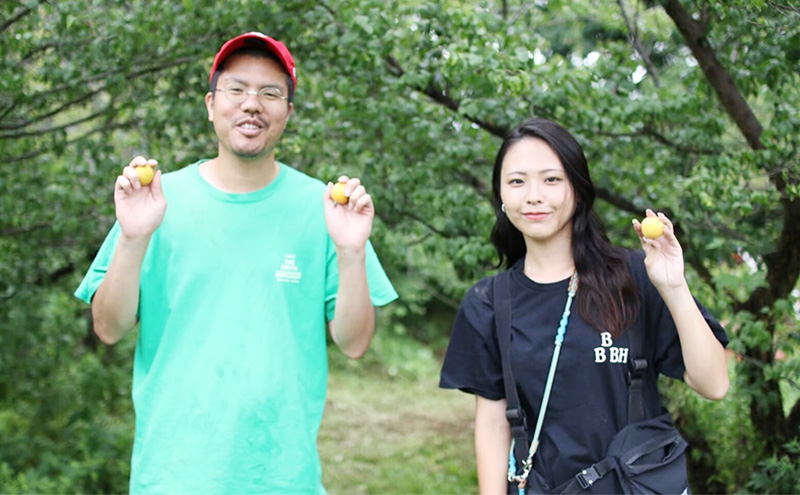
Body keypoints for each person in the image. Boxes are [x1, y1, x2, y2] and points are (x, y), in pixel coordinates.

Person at [75, 32, 398, 494]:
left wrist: (350, 253)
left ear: (288, 111)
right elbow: (108, 327)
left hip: (285, 479)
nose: (252, 104)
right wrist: (132, 237)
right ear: (210, 104)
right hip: (172, 476)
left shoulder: (324, 208)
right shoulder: (156, 204)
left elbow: (354, 342)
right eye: (237, 89)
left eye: (270, 93)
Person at [439, 117, 729, 494]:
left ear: (577, 188)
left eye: (551, 179)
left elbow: (714, 384)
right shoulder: (489, 303)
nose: (533, 195)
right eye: (516, 181)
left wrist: (673, 287)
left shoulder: (636, 277)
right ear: (501, 195)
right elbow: (494, 422)